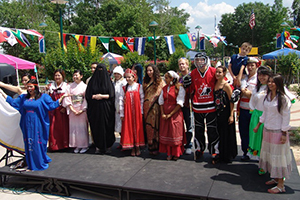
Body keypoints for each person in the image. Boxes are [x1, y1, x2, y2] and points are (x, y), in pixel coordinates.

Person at [0, 79, 66, 171]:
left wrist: (61, 99)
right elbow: (13, 103)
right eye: (28, 87)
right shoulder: (24, 97)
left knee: (37, 142)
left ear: (35, 86)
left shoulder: (43, 97)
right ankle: (31, 164)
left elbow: (52, 106)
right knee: (29, 143)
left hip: (38, 123)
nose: (29, 89)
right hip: (27, 123)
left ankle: (38, 163)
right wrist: (2, 93)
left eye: (31, 86)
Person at [253, 74, 292, 194]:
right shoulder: (268, 96)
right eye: (269, 82)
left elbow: (286, 117)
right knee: (270, 155)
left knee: (278, 157)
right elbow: (265, 113)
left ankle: (281, 185)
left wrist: (284, 133)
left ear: (278, 83)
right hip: (267, 130)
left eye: (273, 82)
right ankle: (275, 178)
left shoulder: (283, 99)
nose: (270, 84)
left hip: (278, 132)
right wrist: (259, 125)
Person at [188, 52, 219, 163]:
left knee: (212, 130)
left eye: (202, 59)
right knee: (199, 130)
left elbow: (222, 83)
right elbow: (190, 90)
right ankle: (199, 148)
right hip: (197, 107)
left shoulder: (214, 71)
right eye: (197, 60)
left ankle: (214, 150)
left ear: (206, 60)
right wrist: (184, 85)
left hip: (211, 107)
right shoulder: (193, 73)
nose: (199, 62)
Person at [86, 64, 116, 154]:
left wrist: (102, 96)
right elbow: (88, 95)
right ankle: (98, 146)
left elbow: (111, 95)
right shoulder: (92, 82)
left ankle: (108, 145)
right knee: (96, 126)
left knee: (108, 126)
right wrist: (95, 96)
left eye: (101, 70)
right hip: (95, 109)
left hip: (107, 109)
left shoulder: (108, 82)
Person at [248, 66, 272, 170]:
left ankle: (270, 166)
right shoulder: (257, 88)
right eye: (260, 75)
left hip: (269, 117)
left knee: (266, 140)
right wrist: (253, 112)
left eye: (264, 75)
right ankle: (262, 164)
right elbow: (252, 101)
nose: (261, 77)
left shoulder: (272, 86)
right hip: (256, 116)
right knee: (257, 139)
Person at [158, 71, 185, 161]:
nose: (165, 80)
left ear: (172, 79)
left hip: (175, 113)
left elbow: (180, 103)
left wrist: (170, 114)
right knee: (167, 132)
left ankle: (176, 153)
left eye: (166, 78)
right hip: (165, 113)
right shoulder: (164, 88)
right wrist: (162, 113)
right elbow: (161, 101)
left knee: (174, 133)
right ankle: (169, 153)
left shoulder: (179, 88)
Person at [214, 66, 237, 163]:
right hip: (217, 113)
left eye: (219, 72)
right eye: (216, 72)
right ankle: (220, 154)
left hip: (226, 112)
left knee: (227, 134)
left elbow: (231, 101)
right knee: (220, 134)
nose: (217, 74)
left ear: (224, 73)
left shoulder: (226, 86)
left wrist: (231, 115)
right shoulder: (215, 84)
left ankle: (227, 155)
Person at [119, 68, 145, 156]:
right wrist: (122, 113)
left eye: (129, 77)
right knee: (129, 129)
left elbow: (142, 99)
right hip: (128, 112)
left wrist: (141, 111)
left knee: (137, 129)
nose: (128, 79)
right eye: (126, 77)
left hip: (137, 112)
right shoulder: (124, 88)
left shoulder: (139, 86)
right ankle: (132, 147)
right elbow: (121, 101)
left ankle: (138, 146)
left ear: (134, 77)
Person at [63, 70, 89, 154]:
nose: (75, 77)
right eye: (74, 75)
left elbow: (86, 99)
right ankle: (76, 145)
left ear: (81, 76)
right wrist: (72, 109)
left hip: (81, 109)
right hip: (73, 109)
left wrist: (82, 109)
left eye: (76, 75)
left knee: (82, 128)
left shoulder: (84, 86)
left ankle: (84, 145)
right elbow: (67, 98)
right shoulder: (69, 87)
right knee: (74, 128)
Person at [239, 57, 259, 161]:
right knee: (244, 132)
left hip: (253, 110)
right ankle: (245, 152)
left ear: (257, 66)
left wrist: (247, 93)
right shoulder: (244, 78)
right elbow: (241, 90)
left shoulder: (259, 79)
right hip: (243, 108)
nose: (250, 68)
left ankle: (255, 152)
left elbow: (257, 96)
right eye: (248, 65)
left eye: (252, 65)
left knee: (254, 132)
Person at [143, 64, 165, 155]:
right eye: (147, 71)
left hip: (155, 107)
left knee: (156, 126)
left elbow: (161, 92)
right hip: (146, 107)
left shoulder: (160, 81)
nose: (149, 72)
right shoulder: (145, 81)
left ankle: (157, 146)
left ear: (154, 71)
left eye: (151, 70)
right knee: (148, 126)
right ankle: (150, 146)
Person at [47, 69, 69, 151]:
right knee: (53, 127)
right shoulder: (51, 86)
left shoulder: (66, 86)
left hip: (62, 109)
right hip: (53, 109)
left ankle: (64, 145)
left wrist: (64, 107)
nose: (57, 77)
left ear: (63, 76)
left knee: (63, 127)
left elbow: (68, 98)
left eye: (59, 75)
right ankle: (54, 145)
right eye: (55, 75)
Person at [178, 57, 193, 155]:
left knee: (189, 126)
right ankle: (180, 143)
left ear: (187, 65)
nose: (181, 66)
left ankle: (189, 145)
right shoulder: (178, 77)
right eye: (180, 64)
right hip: (180, 104)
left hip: (190, 104)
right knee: (179, 125)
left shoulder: (192, 76)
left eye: (183, 64)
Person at [112, 66, 127, 137]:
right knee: (118, 124)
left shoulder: (124, 82)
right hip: (115, 103)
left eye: (118, 74)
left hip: (122, 104)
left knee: (123, 123)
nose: (116, 75)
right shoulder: (113, 82)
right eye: (115, 74)